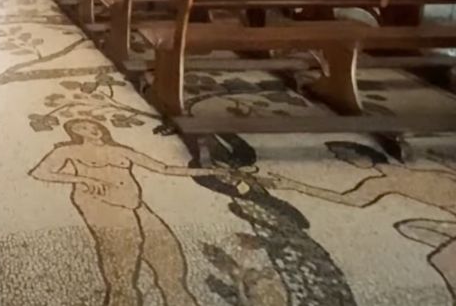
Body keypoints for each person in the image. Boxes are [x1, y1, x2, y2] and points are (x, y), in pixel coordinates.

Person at [30, 119, 229, 305]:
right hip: (102, 203)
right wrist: (83, 179)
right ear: (73, 133)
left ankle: (177, 298)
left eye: (92, 125)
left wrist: (209, 171)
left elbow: (164, 168)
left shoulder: (121, 150)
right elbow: (40, 171)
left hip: (133, 203)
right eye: (81, 127)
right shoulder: (69, 150)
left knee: (167, 252)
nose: (91, 129)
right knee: (122, 258)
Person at [266, 141, 456, 300]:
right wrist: (294, 185)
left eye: (344, 156)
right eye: (340, 157)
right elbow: (348, 199)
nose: (343, 160)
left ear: (364, 155)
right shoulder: (381, 181)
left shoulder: (395, 177)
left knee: (441, 258)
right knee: (409, 228)